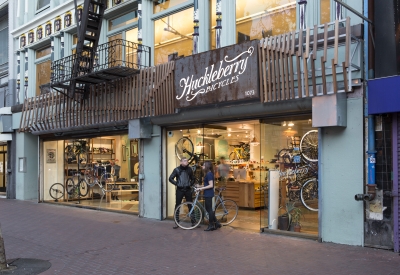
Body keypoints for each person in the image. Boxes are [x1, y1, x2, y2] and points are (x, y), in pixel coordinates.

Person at [169, 157, 195, 229]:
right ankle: (176, 222)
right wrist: (177, 184)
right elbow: (170, 178)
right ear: (181, 162)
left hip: (187, 189)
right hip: (179, 190)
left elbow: (193, 178)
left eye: (187, 161)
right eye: (185, 161)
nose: (186, 162)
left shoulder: (190, 169)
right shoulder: (176, 169)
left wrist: (190, 184)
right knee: (177, 205)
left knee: (190, 205)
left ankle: (194, 222)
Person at [197, 161, 221, 231]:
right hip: (208, 193)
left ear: (207, 166)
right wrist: (200, 186)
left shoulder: (209, 174)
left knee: (209, 210)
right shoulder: (209, 174)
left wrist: (201, 188)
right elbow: (207, 184)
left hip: (208, 193)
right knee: (209, 209)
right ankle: (216, 223)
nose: (202, 166)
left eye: (204, 165)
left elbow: (211, 185)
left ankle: (211, 225)